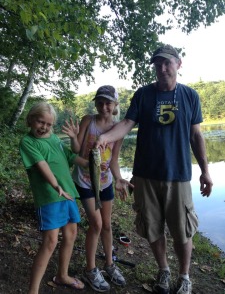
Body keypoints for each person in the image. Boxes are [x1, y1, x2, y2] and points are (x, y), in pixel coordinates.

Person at [95, 45, 213, 294]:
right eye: (157, 64)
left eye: (167, 63)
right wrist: (106, 137)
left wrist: (205, 170)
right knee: (152, 227)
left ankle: (184, 276)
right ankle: (164, 271)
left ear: (178, 64)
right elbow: (126, 123)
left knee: (182, 231)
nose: (162, 68)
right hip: (144, 175)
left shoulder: (190, 96)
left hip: (178, 174)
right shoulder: (143, 95)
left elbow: (196, 135)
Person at [62, 85, 133, 292]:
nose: (104, 107)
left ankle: (109, 265)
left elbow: (114, 160)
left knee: (107, 225)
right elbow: (77, 150)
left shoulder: (118, 128)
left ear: (115, 105)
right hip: (85, 181)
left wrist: (119, 178)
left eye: (108, 103)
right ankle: (91, 269)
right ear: (95, 103)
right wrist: (74, 138)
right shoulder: (88, 121)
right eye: (100, 102)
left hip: (106, 182)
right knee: (96, 224)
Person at [19, 102, 86, 294]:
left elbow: (73, 157)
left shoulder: (55, 138)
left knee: (71, 235)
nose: (44, 127)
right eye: (41, 122)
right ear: (31, 120)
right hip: (50, 197)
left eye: (49, 124)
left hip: (69, 194)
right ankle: (33, 290)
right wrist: (57, 186)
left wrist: (93, 164)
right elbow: (43, 166)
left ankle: (62, 275)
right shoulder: (28, 142)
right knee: (50, 242)